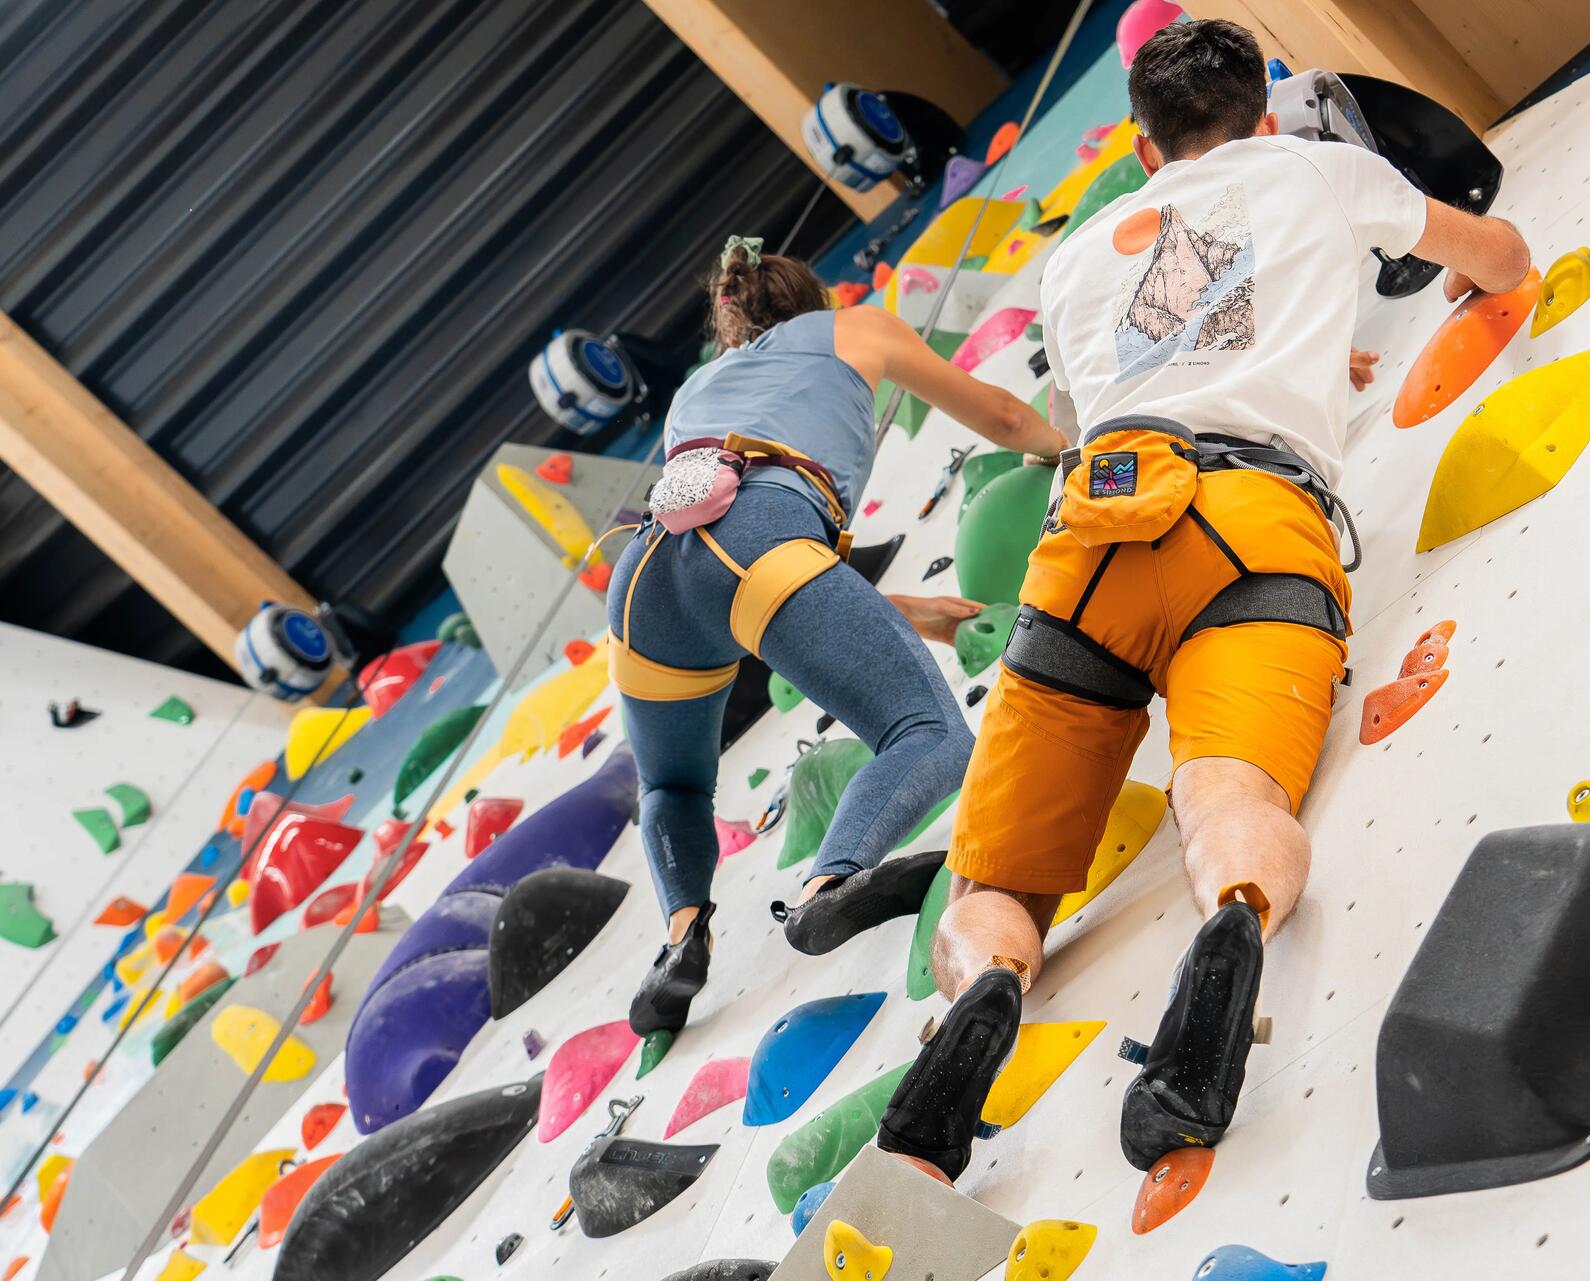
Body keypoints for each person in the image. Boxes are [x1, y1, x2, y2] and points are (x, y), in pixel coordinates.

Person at [876, 20, 1532, 1182]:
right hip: (1253, 520)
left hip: (1090, 539)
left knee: (994, 884)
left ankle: (985, 985)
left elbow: (1117, 399)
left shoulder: (1075, 258)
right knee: (1228, 796)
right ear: (1263, 111)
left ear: (1141, 148)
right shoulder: (1315, 167)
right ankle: (1228, 927)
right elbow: (1494, 251)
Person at [610, 238, 1069, 1037]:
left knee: (672, 787)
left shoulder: (694, 393)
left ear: (733, 322)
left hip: (644, 577)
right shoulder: (858, 327)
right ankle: (832, 884)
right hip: (763, 541)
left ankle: (683, 933)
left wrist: (901, 610)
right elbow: (1000, 416)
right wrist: (1071, 448)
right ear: (810, 300)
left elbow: (721, 557)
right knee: (926, 732)